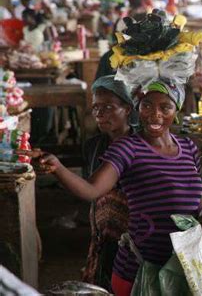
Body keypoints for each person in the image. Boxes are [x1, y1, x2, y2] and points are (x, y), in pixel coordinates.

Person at [38, 65, 202, 295]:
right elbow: (91, 190)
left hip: (182, 266)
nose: (155, 114)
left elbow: (196, 200)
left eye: (165, 107)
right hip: (138, 269)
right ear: (137, 107)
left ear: (176, 109)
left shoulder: (188, 148)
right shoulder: (127, 148)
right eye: (147, 105)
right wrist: (58, 167)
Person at [81, 76, 136, 291]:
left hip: (131, 236)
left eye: (108, 107)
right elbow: (91, 191)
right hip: (102, 234)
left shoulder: (140, 145)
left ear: (128, 109)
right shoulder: (93, 146)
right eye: (95, 107)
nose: (99, 113)